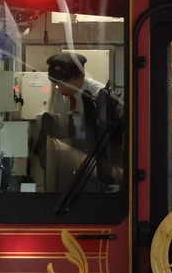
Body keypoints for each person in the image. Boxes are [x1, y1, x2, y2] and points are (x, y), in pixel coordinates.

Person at [42, 52, 122, 188]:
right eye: (56, 84)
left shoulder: (100, 96)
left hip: (96, 164)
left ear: (80, 77)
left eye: (63, 84)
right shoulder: (61, 94)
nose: (59, 89)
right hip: (70, 160)